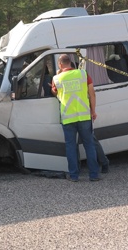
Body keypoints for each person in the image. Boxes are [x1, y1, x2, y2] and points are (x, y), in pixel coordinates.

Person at [51, 54, 101, 182]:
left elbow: (54, 92)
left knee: (71, 147)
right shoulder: (83, 74)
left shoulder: (57, 78)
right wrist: (93, 111)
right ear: (71, 63)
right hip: (84, 116)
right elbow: (92, 93)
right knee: (89, 145)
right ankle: (94, 174)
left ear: (60, 64)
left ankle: (74, 176)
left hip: (68, 118)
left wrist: (58, 75)